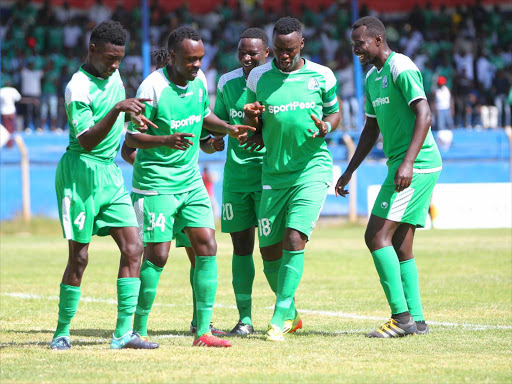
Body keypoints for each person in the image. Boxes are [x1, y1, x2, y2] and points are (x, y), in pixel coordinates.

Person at [124, 26, 254, 348]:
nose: (197, 65)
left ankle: (203, 331)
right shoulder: (152, 87)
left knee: (207, 245)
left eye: (200, 59)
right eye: (190, 60)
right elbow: (131, 139)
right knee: (158, 255)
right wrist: (166, 140)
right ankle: (137, 329)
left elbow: (204, 114)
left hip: (190, 181)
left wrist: (227, 128)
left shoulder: (199, 82)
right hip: (156, 184)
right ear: (172, 57)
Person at [50, 20, 158, 350]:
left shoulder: (114, 76)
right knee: (79, 257)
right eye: (109, 58)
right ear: (92, 50)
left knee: (134, 248)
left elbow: (117, 120)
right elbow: (85, 140)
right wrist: (117, 110)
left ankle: (123, 333)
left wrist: (132, 116)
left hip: (109, 173)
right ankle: (62, 332)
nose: (114, 65)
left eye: (119, 59)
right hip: (79, 174)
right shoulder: (77, 86)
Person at [335, 16, 442, 338]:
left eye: (360, 44)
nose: (356, 49)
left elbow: (425, 113)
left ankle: (401, 318)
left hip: (416, 164)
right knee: (399, 243)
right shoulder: (371, 77)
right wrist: (350, 170)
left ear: (378, 40)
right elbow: (370, 128)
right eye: (353, 44)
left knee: (375, 236)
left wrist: (407, 164)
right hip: (404, 164)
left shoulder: (401, 67)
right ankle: (417, 320)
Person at [244, 17, 341, 342]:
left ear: (302, 46)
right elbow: (252, 119)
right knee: (269, 252)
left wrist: (326, 127)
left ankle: (277, 319)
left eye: (289, 50)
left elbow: (334, 113)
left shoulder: (321, 76)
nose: (283, 57)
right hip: (273, 173)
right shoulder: (259, 76)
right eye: (279, 52)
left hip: (311, 169)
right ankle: (293, 314)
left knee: (294, 239)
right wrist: (252, 122)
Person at [213, 27, 275, 336]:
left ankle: (286, 313)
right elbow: (217, 124)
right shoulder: (227, 82)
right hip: (236, 179)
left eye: (253, 52)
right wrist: (214, 140)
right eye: (242, 53)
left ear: (267, 53)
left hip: (268, 178)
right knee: (240, 248)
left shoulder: (276, 82)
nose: (246, 58)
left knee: (270, 250)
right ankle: (245, 319)